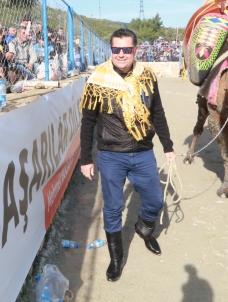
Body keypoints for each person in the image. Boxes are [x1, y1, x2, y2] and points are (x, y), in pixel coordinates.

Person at [79, 28, 176, 282]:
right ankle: (116, 259)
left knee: (155, 201)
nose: (121, 54)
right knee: (113, 208)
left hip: (143, 152)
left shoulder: (147, 76)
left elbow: (158, 112)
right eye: (116, 49)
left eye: (126, 49)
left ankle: (144, 229)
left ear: (135, 50)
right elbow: (88, 122)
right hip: (111, 155)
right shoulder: (98, 80)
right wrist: (85, 158)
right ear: (111, 50)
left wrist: (168, 146)